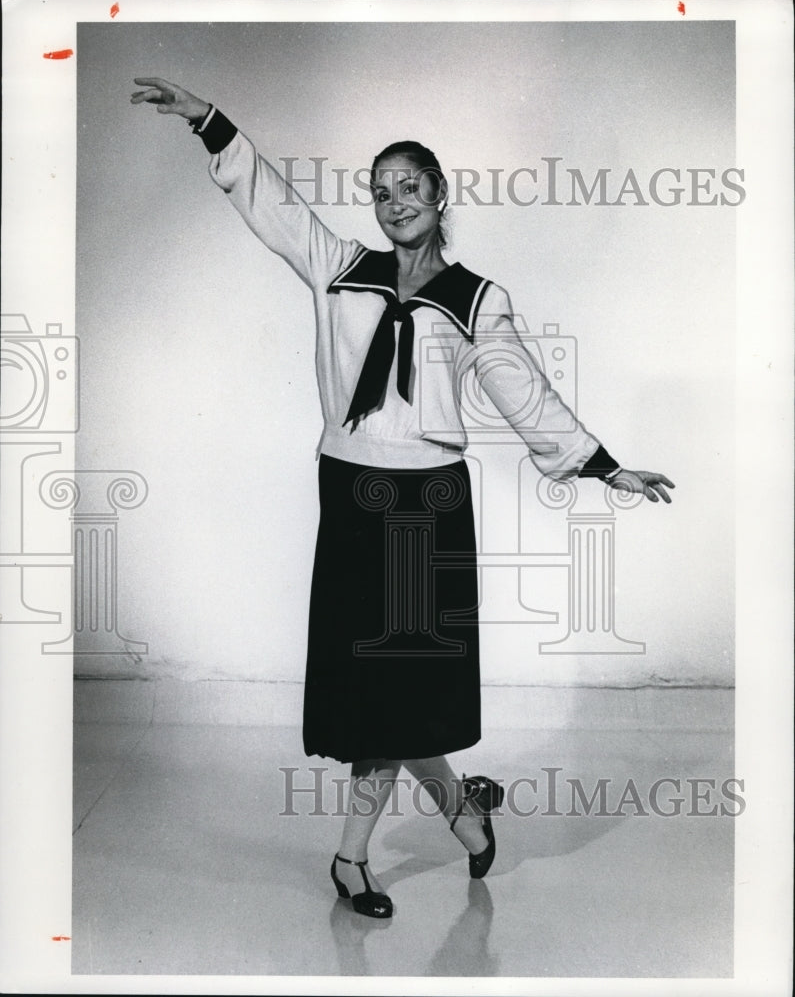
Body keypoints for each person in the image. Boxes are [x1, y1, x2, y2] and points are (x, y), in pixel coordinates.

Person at [131, 77, 675, 919]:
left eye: (408, 187)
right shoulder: (341, 269)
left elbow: (524, 393)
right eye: (379, 191)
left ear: (440, 194)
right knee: (380, 694)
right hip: (351, 491)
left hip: (427, 508)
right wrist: (210, 124)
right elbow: (271, 204)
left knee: (404, 689)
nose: (393, 203)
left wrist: (605, 467)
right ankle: (461, 818)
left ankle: (352, 858)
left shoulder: (475, 301)